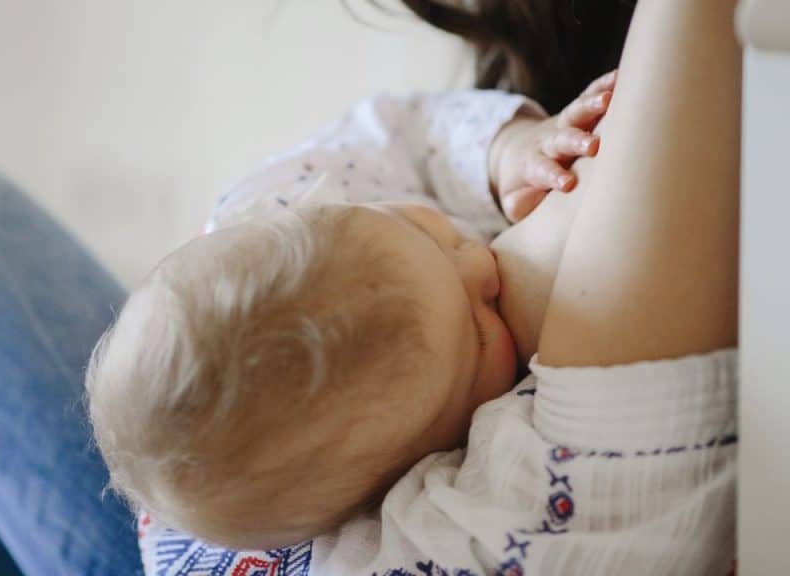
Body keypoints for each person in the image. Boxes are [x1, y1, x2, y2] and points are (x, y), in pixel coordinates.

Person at [120, 0, 740, 574]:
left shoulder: (285, 202)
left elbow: (401, 135)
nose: (482, 268)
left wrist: (503, 151)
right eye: (477, 333)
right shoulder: (425, 528)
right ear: (409, 472)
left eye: (427, 233)